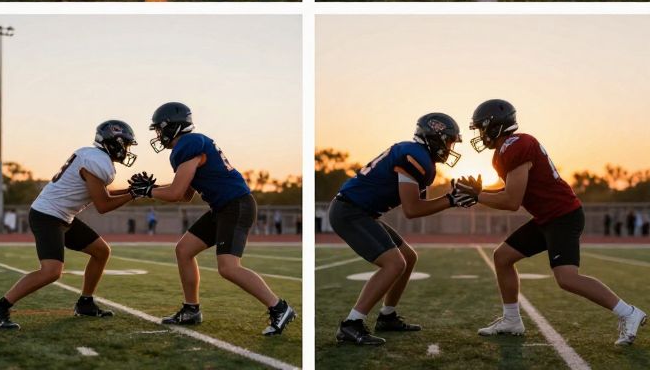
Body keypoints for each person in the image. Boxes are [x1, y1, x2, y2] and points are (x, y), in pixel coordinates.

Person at [463, 99, 645, 346]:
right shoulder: (508, 149)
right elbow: (512, 189)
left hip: (562, 216)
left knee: (567, 278)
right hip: (547, 217)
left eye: (482, 128)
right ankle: (512, 319)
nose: (481, 134)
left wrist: (477, 196)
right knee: (502, 257)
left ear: (494, 125)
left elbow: (511, 201)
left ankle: (629, 313)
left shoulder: (516, 146)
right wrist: (481, 192)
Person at [135, 102, 296, 336]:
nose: (158, 136)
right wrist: (153, 188)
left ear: (172, 126)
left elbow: (176, 193)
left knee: (228, 267)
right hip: (223, 207)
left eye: (160, 129)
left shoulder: (188, 144)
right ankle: (191, 310)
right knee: (184, 250)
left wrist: (148, 191)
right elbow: (185, 195)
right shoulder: (191, 145)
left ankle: (280, 307)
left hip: (235, 205)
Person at [328, 113, 469, 346]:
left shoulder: (420, 158)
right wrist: (452, 199)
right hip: (349, 211)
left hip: (362, 212)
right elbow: (412, 209)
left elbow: (418, 207)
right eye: (449, 141)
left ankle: (387, 315)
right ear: (434, 137)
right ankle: (351, 324)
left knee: (408, 257)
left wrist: (453, 199)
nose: (450, 147)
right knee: (395, 263)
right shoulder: (413, 156)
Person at [0, 121, 140, 330]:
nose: (126, 149)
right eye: (125, 144)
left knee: (101, 251)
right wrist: (134, 193)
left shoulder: (91, 156)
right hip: (47, 215)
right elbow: (103, 205)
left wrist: (134, 190)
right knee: (51, 271)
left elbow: (102, 196)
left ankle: (85, 303)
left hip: (62, 216)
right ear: (114, 143)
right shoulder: (96, 162)